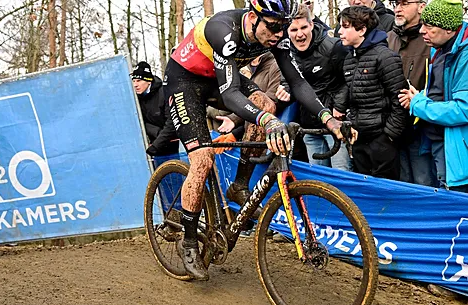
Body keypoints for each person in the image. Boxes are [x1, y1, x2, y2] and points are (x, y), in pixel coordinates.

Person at [150, 0, 355, 281]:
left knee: (265, 104)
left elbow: (297, 83)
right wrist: (266, 122)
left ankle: (239, 185)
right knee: (202, 159)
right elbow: (232, 95)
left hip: (218, 79)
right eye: (273, 27)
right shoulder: (223, 30)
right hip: (185, 81)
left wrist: (327, 118)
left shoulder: (274, 35)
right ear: (252, 17)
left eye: (283, 27)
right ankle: (188, 242)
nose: (279, 34)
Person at [401, 0, 468, 191]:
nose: (422, 31)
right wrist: (419, 96)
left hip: (458, 154)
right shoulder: (438, 49)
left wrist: (418, 104)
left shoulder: (465, 55)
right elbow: (440, 92)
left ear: (449, 29)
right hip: (438, 144)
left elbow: (463, 109)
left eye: (429, 27)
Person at [277, 4, 352, 171]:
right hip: (309, 125)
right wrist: (285, 89)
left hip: (335, 122)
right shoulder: (286, 51)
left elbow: (348, 79)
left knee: (341, 173)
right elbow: (288, 80)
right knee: (317, 177)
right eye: (293, 30)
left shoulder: (333, 47)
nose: (300, 34)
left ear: (312, 24)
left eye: (304, 27)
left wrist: (339, 106)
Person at [337, 5, 408, 180]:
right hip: (359, 139)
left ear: (362, 30)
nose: (339, 32)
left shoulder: (385, 57)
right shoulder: (349, 59)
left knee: (386, 194)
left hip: (382, 140)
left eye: (345, 27)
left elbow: (400, 99)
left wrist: (389, 136)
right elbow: (352, 89)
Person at [387, 0, 435, 186]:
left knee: (424, 183)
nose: (398, 9)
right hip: (393, 125)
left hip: (422, 126)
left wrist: (419, 99)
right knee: (401, 183)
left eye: (405, 3)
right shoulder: (389, 37)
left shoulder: (431, 39)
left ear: (421, 6)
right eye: (395, 3)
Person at [132, 61, 178, 155]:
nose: (135, 85)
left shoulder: (164, 93)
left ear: (149, 81)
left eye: (139, 81)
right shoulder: (135, 98)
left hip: (172, 143)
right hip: (152, 145)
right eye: (134, 81)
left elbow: (172, 122)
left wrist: (156, 145)